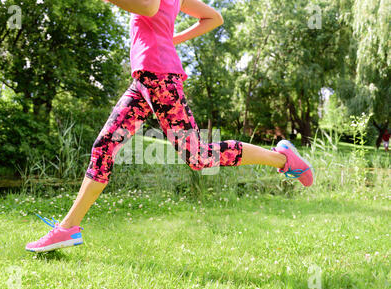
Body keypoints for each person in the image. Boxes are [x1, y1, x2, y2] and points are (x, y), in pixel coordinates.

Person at [26, 0, 314, 253]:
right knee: (104, 147)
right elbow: (214, 17)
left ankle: (282, 158)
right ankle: (68, 228)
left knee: (199, 157)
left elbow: (150, 6)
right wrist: (171, 38)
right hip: (145, 79)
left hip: (160, 76)